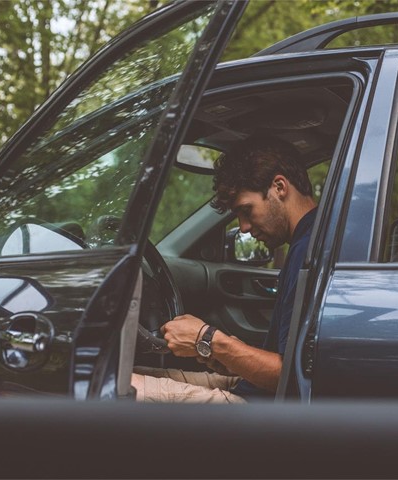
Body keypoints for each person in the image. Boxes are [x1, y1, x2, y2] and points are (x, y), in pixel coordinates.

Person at [131, 137, 318, 403]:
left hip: (272, 410)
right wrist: (226, 356)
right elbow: (285, 361)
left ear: (279, 187)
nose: (242, 227)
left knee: (115, 387)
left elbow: (292, 378)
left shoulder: (310, 250)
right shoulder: (309, 240)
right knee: (126, 374)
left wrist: (207, 339)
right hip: (258, 390)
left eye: (246, 210)